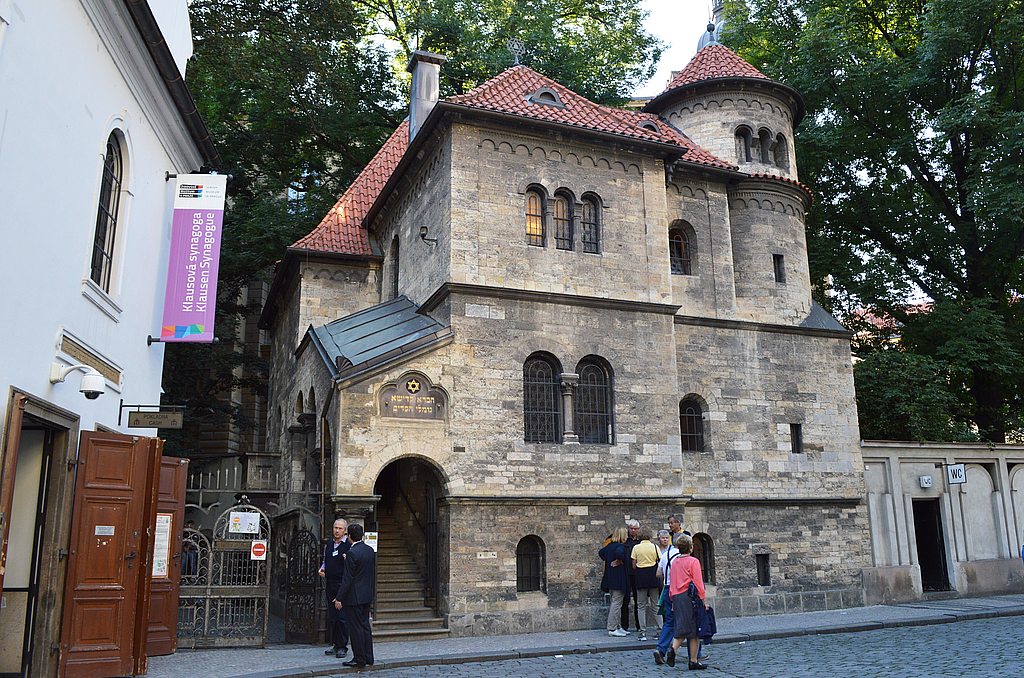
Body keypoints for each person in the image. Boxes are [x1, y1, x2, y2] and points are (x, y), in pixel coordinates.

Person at [666, 533, 709, 671]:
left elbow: (672, 583)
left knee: (683, 626)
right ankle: (687, 657)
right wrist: (703, 599)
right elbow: (698, 582)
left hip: (677, 597)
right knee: (693, 629)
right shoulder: (693, 561)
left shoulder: (675, 562)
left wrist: (672, 600)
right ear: (690, 548)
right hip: (689, 597)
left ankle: (688, 658)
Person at [336, 523, 376, 668]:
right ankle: (368, 657)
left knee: (356, 629)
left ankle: (359, 658)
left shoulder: (352, 553)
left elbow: (348, 579)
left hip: (354, 597)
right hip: (366, 595)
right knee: (365, 626)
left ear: (350, 536)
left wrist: (339, 597)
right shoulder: (369, 550)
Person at [318, 518, 350, 658]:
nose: (337, 531)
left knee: (342, 616)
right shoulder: (329, 545)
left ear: (345, 531)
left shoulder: (348, 546)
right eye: (335, 528)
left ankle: (343, 646)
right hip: (330, 583)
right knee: (333, 617)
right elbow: (325, 561)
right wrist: (322, 569)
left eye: (340, 528)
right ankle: (335, 644)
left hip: (342, 584)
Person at [652, 530, 680, 665]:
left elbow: (658, 573)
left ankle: (661, 649)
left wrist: (666, 576)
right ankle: (695, 654)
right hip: (681, 591)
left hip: (667, 588)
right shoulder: (682, 556)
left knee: (669, 621)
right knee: (690, 622)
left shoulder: (666, 554)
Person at [599, 527, 630, 636]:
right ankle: (612, 628)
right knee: (616, 603)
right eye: (625, 534)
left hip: (610, 578)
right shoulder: (620, 546)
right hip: (619, 578)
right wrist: (618, 560)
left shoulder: (609, 546)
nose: (627, 537)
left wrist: (609, 560)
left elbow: (601, 553)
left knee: (616, 602)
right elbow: (620, 554)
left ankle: (617, 626)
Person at [631, 526, 660, 641]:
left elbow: (633, 564)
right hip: (653, 575)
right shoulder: (654, 546)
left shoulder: (636, 548)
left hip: (641, 576)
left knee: (641, 605)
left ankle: (642, 631)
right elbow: (659, 560)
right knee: (656, 605)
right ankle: (659, 629)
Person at [622, 519, 641, 631]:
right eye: (631, 528)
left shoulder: (640, 542)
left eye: (635, 529)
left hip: (637, 574)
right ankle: (625, 625)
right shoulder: (625, 542)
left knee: (639, 600)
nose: (633, 531)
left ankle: (639, 625)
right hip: (626, 573)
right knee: (625, 600)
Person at [653, 529, 673, 632]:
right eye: (663, 538)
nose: (665, 540)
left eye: (666, 538)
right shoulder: (657, 549)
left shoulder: (672, 549)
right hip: (661, 579)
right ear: (659, 539)